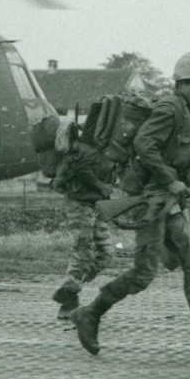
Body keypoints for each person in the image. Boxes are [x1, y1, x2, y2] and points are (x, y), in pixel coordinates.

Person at [70, 52, 190, 358]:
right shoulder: (170, 107)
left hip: (166, 202)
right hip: (150, 202)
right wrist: (170, 180)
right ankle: (90, 313)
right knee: (143, 273)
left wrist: (180, 186)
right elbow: (143, 145)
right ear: (180, 83)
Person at [50, 130, 118, 321]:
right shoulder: (86, 151)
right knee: (82, 250)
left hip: (95, 206)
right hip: (80, 206)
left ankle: (70, 289)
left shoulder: (104, 154)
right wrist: (101, 187)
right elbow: (80, 169)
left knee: (106, 254)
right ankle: (68, 299)